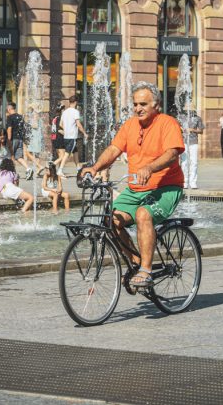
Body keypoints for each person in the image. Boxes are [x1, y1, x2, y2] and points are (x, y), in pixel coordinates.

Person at [81, 81, 185, 289]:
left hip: (166, 187)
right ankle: (135, 260)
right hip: (136, 189)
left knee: (143, 215)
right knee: (110, 220)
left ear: (156, 105)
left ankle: (146, 270)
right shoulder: (130, 125)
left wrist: (150, 168)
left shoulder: (167, 123)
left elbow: (172, 152)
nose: (138, 108)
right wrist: (94, 167)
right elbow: (113, 149)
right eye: (135, 104)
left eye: (143, 104)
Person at [56, 95, 88, 174]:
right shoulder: (75, 112)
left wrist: (66, 129)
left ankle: (78, 169)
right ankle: (60, 170)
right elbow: (79, 124)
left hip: (66, 136)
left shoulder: (65, 112)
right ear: (76, 102)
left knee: (75, 152)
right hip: (72, 136)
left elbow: (60, 124)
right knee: (67, 154)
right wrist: (84, 133)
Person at [177, 106, 204, 189]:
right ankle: (184, 182)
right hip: (184, 141)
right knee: (184, 162)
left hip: (194, 142)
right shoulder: (181, 117)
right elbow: (176, 126)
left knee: (194, 162)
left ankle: (193, 182)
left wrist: (192, 130)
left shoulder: (197, 118)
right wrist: (182, 129)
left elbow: (201, 131)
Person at [6, 102, 32, 179]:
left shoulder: (10, 117)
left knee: (9, 156)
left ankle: (12, 173)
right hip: (20, 139)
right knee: (18, 157)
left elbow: (9, 129)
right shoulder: (20, 117)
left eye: (7, 109)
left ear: (9, 109)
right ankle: (28, 169)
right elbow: (24, 128)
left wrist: (8, 140)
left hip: (13, 139)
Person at [24, 104, 45, 174]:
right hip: (39, 138)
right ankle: (38, 170)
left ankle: (39, 166)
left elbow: (35, 126)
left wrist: (28, 123)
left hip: (35, 138)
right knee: (37, 155)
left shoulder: (35, 115)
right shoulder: (39, 116)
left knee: (27, 152)